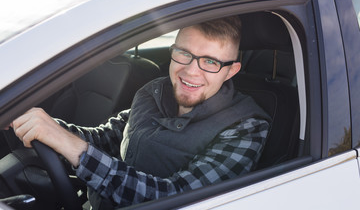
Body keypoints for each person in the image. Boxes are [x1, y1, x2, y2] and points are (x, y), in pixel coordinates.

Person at [8, 16, 270, 209]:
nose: (191, 71)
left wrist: (73, 148)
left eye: (210, 61)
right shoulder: (153, 92)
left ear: (231, 71)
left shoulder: (246, 126)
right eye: (184, 53)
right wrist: (45, 126)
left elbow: (173, 198)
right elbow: (106, 138)